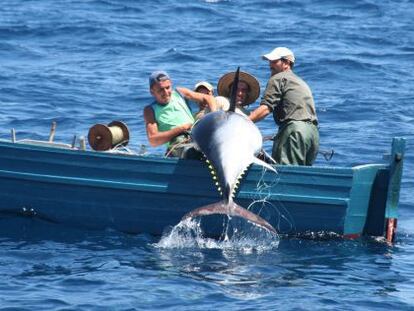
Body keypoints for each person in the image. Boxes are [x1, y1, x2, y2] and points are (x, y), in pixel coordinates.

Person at [249, 47, 319, 166]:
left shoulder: (278, 78)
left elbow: (266, 108)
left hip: (295, 131)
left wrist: (244, 121)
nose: (270, 65)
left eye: (274, 61)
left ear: (286, 63)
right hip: (312, 134)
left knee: (286, 175)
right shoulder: (300, 81)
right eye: (269, 61)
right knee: (301, 175)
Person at [143, 71, 216, 158]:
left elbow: (208, 98)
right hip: (178, 143)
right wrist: (182, 128)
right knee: (193, 152)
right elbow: (153, 140)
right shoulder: (150, 110)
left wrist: (213, 115)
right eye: (161, 90)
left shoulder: (180, 93)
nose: (166, 92)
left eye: (168, 88)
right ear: (152, 91)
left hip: (196, 134)